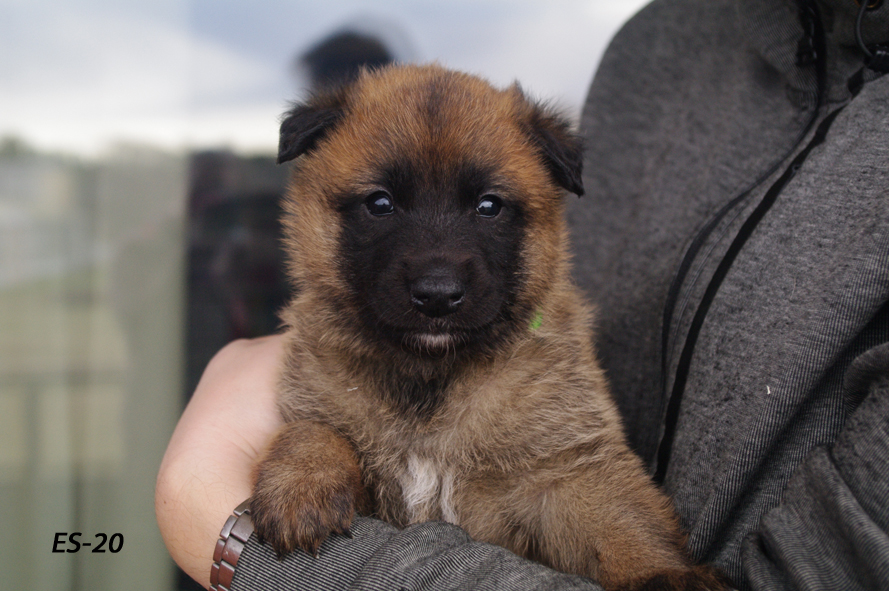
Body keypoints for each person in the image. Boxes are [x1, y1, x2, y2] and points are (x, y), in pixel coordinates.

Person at [155, 0, 889, 589]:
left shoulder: (546, 356)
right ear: (310, 197)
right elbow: (302, 425)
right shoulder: (664, 45)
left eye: (489, 208)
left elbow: (577, 481)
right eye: (379, 205)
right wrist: (314, 447)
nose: (438, 274)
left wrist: (652, 573)